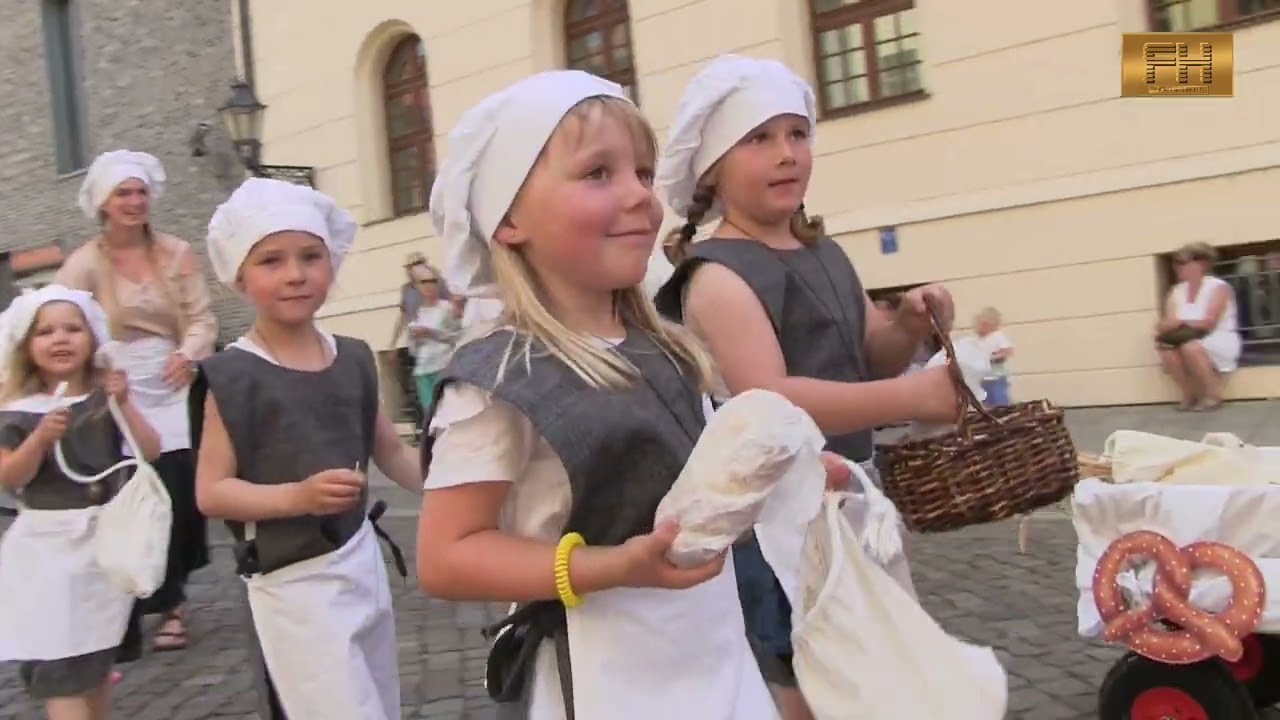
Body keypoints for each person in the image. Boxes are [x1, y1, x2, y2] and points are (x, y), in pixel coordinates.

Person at [414, 70, 841, 720]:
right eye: (598, 174)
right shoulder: (499, 378)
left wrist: (788, 477)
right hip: (604, 678)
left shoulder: (667, 345)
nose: (640, 197)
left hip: (711, 652)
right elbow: (447, 557)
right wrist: (606, 567)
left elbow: (702, 485)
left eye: (642, 173)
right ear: (508, 221)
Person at [652, 55, 960, 720]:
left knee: (868, 668)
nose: (786, 154)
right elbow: (774, 397)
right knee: (805, 680)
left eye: (797, 133)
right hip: (776, 520)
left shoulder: (826, 252)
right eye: (759, 139)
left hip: (846, 495)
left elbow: (868, 359)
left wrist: (908, 325)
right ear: (711, 169)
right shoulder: (715, 277)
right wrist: (912, 400)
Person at [192, 178, 423, 719]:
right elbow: (212, 491)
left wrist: (459, 481)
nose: (295, 273)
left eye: (310, 257)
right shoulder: (235, 376)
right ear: (239, 277)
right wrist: (297, 496)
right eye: (271, 260)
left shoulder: (355, 358)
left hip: (358, 560)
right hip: (291, 581)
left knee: (379, 701)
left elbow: (392, 452)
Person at [56, 150, 216, 652]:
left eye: (140, 192)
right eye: (123, 193)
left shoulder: (175, 252)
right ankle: (123, 601)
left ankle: (173, 602)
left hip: (170, 380)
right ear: (103, 202)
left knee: (175, 491)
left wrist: (189, 354)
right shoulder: (82, 263)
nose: (134, 201)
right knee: (124, 491)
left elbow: (201, 318)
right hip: (114, 384)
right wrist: (97, 369)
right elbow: (63, 319)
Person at [0, 286, 161, 720]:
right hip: (49, 554)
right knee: (62, 665)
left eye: (72, 329)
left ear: (92, 338)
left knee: (93, 665)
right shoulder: (15, 409)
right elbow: (9, 477)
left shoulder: (101, 397)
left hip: (104, 547)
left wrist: (124, 404)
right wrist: (38, 440)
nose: (60, 338)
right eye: (46, 332)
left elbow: (150, 449)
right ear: (26, 345)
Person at [1155, 242, 1241, 411]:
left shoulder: (1218, 287)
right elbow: (1165, 324)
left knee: (1190, 347)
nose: (1176, 267)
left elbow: (1210, 322)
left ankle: (1212, 395)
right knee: (1165, 347)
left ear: (1200, 263)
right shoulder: (1177, 291)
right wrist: (1169, 325)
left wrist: (1181, 321)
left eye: (1182, 262)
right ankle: (1189, 394)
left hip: (1219, 336)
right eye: (1175, 262)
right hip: (1191, 335)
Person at [406, 264, 461, 411]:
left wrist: (431, 332)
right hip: (423, 371)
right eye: (424, 282)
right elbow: (413, 351)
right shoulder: (417, 313)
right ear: (416, 286)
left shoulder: (447, 309)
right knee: (430, 416)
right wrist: (414, 338)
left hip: (443, 367)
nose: (429, 286)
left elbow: (457, 337)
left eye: (433, 281)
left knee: (447, 411)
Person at [970, 307, 1014, 407]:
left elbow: (1007, 351)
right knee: (986, 405)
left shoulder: (997, 336)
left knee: (1000, 404)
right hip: (982, 380)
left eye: (981, 323)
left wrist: (992, 358)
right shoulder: (977, 340)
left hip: (996, 378)